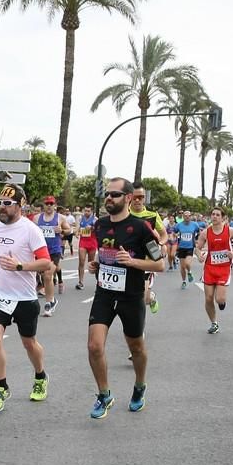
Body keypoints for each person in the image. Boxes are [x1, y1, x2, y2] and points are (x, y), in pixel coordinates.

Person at [87, 177, 166, 420]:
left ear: (128, 198)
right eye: (107, 195)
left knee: (136, 347)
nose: (109, 198)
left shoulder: (141, 228)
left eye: (115, 195)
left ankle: (139, 386)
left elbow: (160, 264)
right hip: (104, 292)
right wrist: (96, 265)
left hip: (131, 295)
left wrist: (132, 262)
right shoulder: (99, 225)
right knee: (94, 345)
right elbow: (104, 254)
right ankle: (104, 394)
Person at [0, 184, 53, 413]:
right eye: (0, 202)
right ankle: (1, 387)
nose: (2, 207)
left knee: (28, 342)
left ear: (20, 205)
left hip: (24, 297)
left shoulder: (31, 230)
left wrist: (20, 266)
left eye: (7, 203)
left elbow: (46, 263)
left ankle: (40, 376)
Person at [195, 207, 233, 334]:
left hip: (223, 269)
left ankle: (222, 302)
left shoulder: (230, 231)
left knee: (220, 300)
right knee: (208, 298)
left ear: (223, 217)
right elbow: (198, 247)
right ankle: (214, 323)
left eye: (217, 215)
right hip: (210, 268)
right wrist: (199, 255)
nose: (215, 217)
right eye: (213, 214)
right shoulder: (206, 232)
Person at [129, 182, 167, 314]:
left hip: (147, 260)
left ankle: (150, 298)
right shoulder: (124, 214)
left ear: (145, 198)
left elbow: (164, 235)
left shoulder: (152, 215)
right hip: (128, 260)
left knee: (143, 298)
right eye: (135, 197)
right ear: (129, 197)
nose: (138, 200)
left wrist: (161, 245)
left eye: (141, 197)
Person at [35, 195, 71, 314]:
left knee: (47, 274)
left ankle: (49, 302)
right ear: (44, 205)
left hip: (55, 249)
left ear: (55, 206)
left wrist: (61, 231)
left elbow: (69, 230)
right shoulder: (36, 218)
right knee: (42, 274)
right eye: (47, 204)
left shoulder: (60, 217)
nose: (49, 206)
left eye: (51, 204)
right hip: (41, 250)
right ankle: (51, 299)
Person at [174, 210, 200, 289]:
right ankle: (184, 281)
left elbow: (199, 232)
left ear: (191, 217)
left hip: (190, 247)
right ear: (183, 217)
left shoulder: (194, 225)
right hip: (181, 247)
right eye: (185, 216)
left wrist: (197, 240)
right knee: (182, 267)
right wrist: (176, 235)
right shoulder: (179, 225)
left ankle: (189, 272)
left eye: (189, 216)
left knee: (187, 264)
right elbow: (174, 232)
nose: (187, 217)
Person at [75, 205, 97, 290]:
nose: (86, 212)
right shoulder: (81, 218)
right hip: (83, 242)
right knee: (81, 261)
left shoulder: (95, 219)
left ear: (91, 212)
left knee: (91, 263)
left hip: (92, 243)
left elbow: (99, 229)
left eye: (88, 211)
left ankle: (98, 281)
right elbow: (78, 228)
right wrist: (77, 232)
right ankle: (80, 282)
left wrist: (92, 228)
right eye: (85, 211)